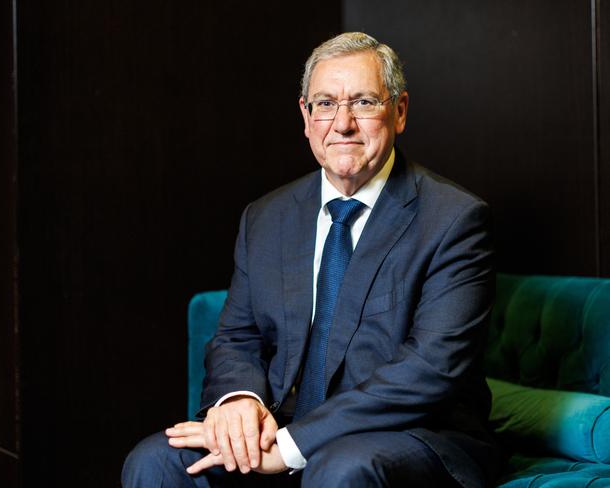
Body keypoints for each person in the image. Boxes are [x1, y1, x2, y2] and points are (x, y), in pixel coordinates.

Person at [123, 31, 499, 487]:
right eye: (324, 104)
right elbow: (237, 338)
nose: (341, 124)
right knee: (156, 460)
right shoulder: (267, 217)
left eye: (363, 102)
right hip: (283, 430)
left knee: (339, 468)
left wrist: (292, 446)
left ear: (398, 112)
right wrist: (239, 402)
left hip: (412, 437)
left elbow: (430, 369)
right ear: (305, 116)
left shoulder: (453, 220)